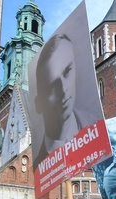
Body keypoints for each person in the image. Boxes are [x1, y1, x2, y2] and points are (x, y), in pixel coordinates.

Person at [32, 33, 97, 169]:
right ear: (39, 104)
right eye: (52, 85)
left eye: (67, 72)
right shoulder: (39, 169)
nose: (63, 90)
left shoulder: (98, 129)